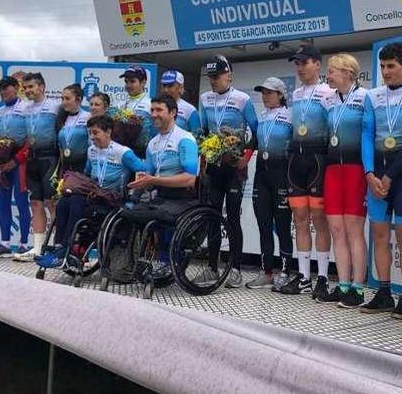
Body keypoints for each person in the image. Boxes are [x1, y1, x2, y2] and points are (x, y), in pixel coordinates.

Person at [360, 42, 402, 318]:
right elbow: (367, 134)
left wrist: (387, 177)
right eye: (382, 66)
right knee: (379, 236)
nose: (386, 72)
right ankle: (384, 292)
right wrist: (369, 174)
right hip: (376, 173)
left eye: (391, 66)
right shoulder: (372, 96)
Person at [36, 115, 144, 268]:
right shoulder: (92, 151)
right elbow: (87, 175)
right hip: (94, 196)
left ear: (108, 132)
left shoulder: (123, 152)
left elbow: (143, 172)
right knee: (64, 202)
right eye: (90, 133)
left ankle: (67, 250)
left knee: (75, 202)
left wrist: (133, 199)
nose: (92, 137)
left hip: (113, 199)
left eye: (95, 133)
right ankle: (60, 247)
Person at [278, 45, 337, 297]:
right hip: (296, 159)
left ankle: (322, 277)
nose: (300, 68)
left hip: (318, 159)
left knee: (319, 220)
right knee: (299, 219)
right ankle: (303, 277)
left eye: (304, 63)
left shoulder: (328, 92)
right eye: (297, 64)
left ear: (317, 64)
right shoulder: (297, 93)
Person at [197, 55, 259, 287]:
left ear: (228, 76)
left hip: (234, 167)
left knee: (233, 217)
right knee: (212, 216)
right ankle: (212, 268)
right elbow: (203, 130)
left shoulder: (243, 100)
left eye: (217, 76)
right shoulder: (205, 98)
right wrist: (203, 154)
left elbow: (256, 132)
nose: (213, 81)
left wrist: (246, 157)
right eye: (210, 77)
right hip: (214, 165)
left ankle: (235, 269)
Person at [317, 53, 369, 309]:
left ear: (348, 72)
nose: (329, 75)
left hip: (355, 169)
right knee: (336, 230)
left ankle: (358, 288)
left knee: (353, 231)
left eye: (333, 71)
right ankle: (344, 283)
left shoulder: (365, 97)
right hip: (332, 171)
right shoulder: (328, 100)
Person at [124, 95, 200, 236]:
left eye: (159, 110)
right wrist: (141, 186)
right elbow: (149, 176)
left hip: (183, 199)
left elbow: (190, 179)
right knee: (128, 213)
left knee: (154, 215)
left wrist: (153, 180)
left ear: (172, 112)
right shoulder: (152, 143)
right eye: (152, 110)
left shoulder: (185, 139)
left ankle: (164, 252)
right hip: (161, 198)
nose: (153, 114)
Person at [246, 77, 294, 290]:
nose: (265, 97)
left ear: (281, 95)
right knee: (263, 224)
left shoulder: (291, 116)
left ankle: (285, 271)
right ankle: (266, 271)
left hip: (281, 175)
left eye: (269, 93)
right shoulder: (262, 116)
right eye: (263, 93)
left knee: (282, 225)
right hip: (262, 176)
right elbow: (253, 143)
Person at [13, 73, 62, 262]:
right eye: (25, 88)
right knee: (36, 204)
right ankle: (38, 248)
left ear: (42, 87)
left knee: (52, 203)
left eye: (31, 87)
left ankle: (58, 246)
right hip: (32, 160)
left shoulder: (55, 105)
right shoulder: (25, 108)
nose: (27, 91)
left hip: (50, 157)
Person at [0, 76, 32, 258]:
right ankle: (4, 243)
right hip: (1, 164)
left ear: (16, 88)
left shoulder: (27, 108)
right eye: (0, 89)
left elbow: (31, 138)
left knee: (21, 203)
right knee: (2, 203)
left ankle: (24, 244)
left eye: (6, 87)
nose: (3, 91)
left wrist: (17, 159)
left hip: (19, 162)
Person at [114, 65, 154, 156]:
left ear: (143, 83)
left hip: (142, 153)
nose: (128, 85)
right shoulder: (120, 104)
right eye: (126, 82)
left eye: (132, 81)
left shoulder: (150, 104)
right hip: (120, 153)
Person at [57, 84, 91, 175]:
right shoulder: (61, 118)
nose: (64, 102)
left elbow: (91, 144)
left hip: (82, 165)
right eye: (62, 99)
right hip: (66, 165)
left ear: (79, 99)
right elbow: (60, 145)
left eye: (67, 99)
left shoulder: (87, 117)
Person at [161, 70, 201, 135]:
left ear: (180, 87)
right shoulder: (155, 107)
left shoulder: (190, 110)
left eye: (170, 86)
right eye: (164, 85)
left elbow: (198, 137)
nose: (166, 90)